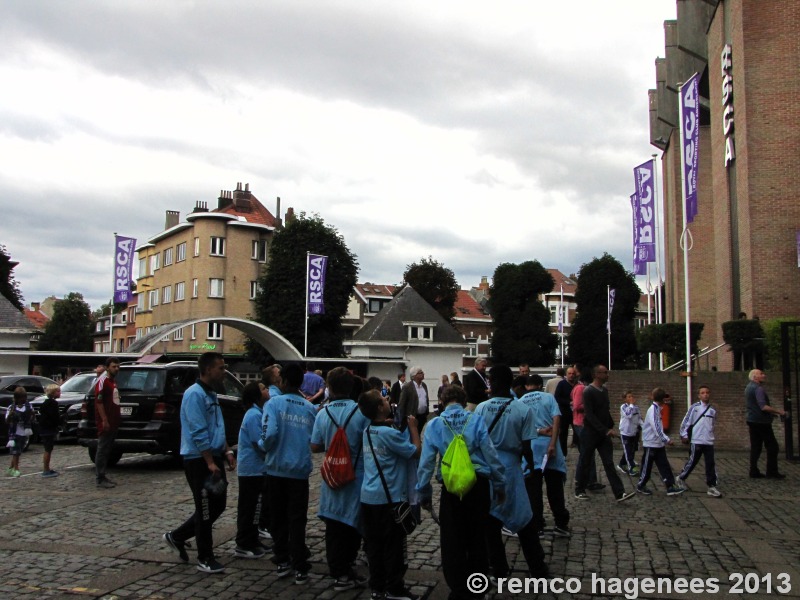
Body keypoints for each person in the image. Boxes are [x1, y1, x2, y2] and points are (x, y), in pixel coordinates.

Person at [417, 385, 506, 600]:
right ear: (464, 400)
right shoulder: (475, 420)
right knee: (478, 537)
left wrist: (424, 492)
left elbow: (427, 462)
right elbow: (490, 454)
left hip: (452, 487)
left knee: (452, 540)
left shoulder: (434, 424)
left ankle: (458, 587)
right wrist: (500, 483)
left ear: (443, 401)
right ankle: (477, 585)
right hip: (478, 484)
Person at [163, 352, 237, 574]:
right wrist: (208, 461)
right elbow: (198, 429)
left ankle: (177, 536)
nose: (224, 372)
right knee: (205, 508)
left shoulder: (212, 393)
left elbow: (216, 424)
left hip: (213, 456)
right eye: (221, 368)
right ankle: (205, 556)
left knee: (219, 503)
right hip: (198, 459)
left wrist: (226, 450)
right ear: (207, 370)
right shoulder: (194, 395)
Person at [475, 365, 549, 579]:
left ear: (492, 382)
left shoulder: (481, 408)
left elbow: (477, 442)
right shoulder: (522, 409)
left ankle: (498, 567)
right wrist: (533, 468)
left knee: (491, 521)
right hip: (512, 468)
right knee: (525, 520)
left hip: (489, 467)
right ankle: (538, 568)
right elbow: (527, 446)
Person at [310, 367, 371, 592]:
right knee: (353, 525)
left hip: (331, 476)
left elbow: (315, 445)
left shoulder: (323, 413)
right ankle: (347, 567)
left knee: (333, 527)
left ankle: (339, 573)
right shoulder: (361, 412)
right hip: (356, 476)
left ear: (330, 387)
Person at [360, 389, 421, 600]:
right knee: (394, 546)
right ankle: (395, 588)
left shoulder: (367, 431)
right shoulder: (390, 433)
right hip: (390, 498)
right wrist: (413, 429)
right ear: (379, 407)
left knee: (374, 545)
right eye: (384, 400)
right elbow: (415, 452)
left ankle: (377, 586)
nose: (387, 401)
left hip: (368, 496)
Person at [261, 362, 317, 583]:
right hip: (299, 472)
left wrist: (263, 445)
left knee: (278, 518)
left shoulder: (273, 404)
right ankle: (300, 565)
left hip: (276, 470)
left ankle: (283, 560)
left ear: (282, 381)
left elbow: (269, 434)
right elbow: (315, 439)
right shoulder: (309, 407)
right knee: (297, 520)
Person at [518, 374, 571, 539]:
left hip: (532, 449)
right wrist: (553, 443)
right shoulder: (549, 397)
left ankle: (537, 524)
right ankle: (561, 523)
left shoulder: (520, 402)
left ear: (527, 386)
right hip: (550, 447)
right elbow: (557, 420)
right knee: (555, 487)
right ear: (541, 385)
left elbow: (520, 428)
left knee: (533, 489)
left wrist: (537, 431)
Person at [574, 365, 635, 503]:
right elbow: (589, 415)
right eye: (604, 372)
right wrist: (605, 429)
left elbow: (605, 411)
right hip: (590, 433)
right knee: (585, 461)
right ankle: (579, 489)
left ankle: (619, 493)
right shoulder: (588, 391)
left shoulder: (604, 391)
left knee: (608, 463)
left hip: (603, 434)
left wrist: (609, 425)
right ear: (596, 374)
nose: (607, 374)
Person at [234, 382, 269, 559]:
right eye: (263, 389)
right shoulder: (254, 415)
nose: (267, 391)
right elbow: (258, 443)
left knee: (256, 506)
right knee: (249, 508)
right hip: (251, 469)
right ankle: (243, 542)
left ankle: (253, 539)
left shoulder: (258, 413)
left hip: (257, 469)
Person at [635, 388, 685, 496]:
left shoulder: (657, 409)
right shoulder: (653, 410)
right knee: (647, 465)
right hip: (651, 443)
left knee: (664, 465)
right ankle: (641, 484)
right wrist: (666, 439)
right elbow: (656, 427)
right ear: (663, 399)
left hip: (657, 443)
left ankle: (670, 485)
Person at [677, 385, 721, 497]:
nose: (705, 395)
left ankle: (711, 486)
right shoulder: (694, 408)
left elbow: (713, 424)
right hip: (696, 440)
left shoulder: (712, 410)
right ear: (699, 395)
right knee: (692, 461)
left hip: (708, 441)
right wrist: (684, 434)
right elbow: (686, 421)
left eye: (707, 392)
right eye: (702, 393)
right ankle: (681, 477)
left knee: (710, 463)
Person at [745, 369, 786, 479]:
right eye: (761, 374)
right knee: (773, 446)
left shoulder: (748, 387)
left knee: (756, 447)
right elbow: (763, 406)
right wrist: (779, 411)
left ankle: (753, 471)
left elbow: (753, 405)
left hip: (752, 420)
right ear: (755, 377)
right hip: (761, 422)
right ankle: (772, 472)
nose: (764, 375)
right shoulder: (758, 389)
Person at [94, 357, 121, 489]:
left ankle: (103, 474)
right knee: (102, 448)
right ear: (107, 367)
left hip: (114, 420)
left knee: (108, 448)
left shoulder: (113, 381)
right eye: (114, 366)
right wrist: (104, 419)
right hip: (106, 421)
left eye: (117, 366)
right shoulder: (103, 381)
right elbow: (99, 402)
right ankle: (100, 476)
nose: (116, 369)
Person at [571, 370, 599, 488]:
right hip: (581, 423)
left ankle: (589, 479)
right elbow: (577, 406)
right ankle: (584, 480)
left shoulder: (582, 388)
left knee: (588, 452)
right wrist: (591, 406)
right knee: (586, 453)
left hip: (584, 423)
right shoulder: (581, 388)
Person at [5, 387, 33, 477]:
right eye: (21, 398)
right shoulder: (11, 407)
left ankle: (10, 468)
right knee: (15, 452)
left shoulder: (28, 406)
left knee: (18, 451)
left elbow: (32, 419)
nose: (23, 399)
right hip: (15, 432)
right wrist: (10, 415)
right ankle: (16, 468)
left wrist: (32, 415)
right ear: (17, 398)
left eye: (24, 397)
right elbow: (7, 421)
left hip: (24, 432)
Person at [553, 366, 578, 455]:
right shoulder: (562, 384)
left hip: (576, 413)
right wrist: (568, 403)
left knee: (578, 432)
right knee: (563, 433)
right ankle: (563, 454)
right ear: (566, 375)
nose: (571, 375)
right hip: (564, 412)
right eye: (569, 373)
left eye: (573, 374)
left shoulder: (577, 385)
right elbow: (557, 398)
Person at [39, 384, 62, 478]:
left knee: (48, 449)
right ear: (53, 393)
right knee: (48, 449)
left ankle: (47, 468)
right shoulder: (53, 404)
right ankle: (46, 469)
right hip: (48, 429)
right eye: (58, 391)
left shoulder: (45, 403)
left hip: (44, 429)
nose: (60, 393)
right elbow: (54, 417)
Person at [617, 391, 642, 476]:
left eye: (632, 396)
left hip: (633, 432)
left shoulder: (636, 407)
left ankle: (622, 463)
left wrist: (644, 426)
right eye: (629, 397)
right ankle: (631, 467)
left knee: (631, 449)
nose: (631, 398)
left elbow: (639, 418)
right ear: (625, 399)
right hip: (625, 432)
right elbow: (628, 415)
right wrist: (631, 405)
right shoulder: (623, 407)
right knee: (627, 450)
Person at [397, 366, 430, 430]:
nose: (423, 374)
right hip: (412, 417)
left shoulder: (424, 385)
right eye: (420, 372)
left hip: (423, 416)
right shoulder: (407, 387)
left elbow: (426, 399)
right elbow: (401, 403)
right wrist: (403, 418)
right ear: (414, 376)